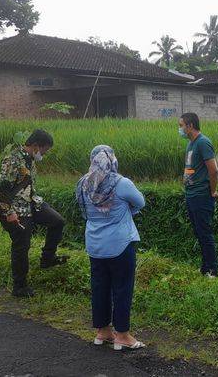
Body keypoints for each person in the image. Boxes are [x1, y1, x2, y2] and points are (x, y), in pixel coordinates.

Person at [75, 145, 146, 351]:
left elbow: (84, 211)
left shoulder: (82, 184)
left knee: (100, 287)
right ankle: (122, 335)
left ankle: (103, 331)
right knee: (122, 288)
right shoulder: (121, 183)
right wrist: (124, 211)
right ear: (112, 160)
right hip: (120, 244)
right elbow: (140, 203)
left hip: (95, 245)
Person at [0, 129, 68, 298]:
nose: (45, 153)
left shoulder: (30, 160)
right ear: (36, 146)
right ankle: (19, 287)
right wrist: (9, 212)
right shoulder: (13, 159)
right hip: (16, 209)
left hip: (32, 203)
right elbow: (2, 189)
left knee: (57, 221)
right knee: (22, 246)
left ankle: (47, 258)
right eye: (45, 149)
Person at [178, 112, 218, 278]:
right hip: (191, 194)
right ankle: (205, 268)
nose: (179, 129)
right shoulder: (190, 144)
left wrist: (213, 190)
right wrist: (186, 180)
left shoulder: (203, 143)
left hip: (202, 195)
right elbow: (191, 167)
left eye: (181, 125)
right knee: (199, 232)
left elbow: (214, 170)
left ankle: (213, 271)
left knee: (205, 233)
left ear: (190, 126)